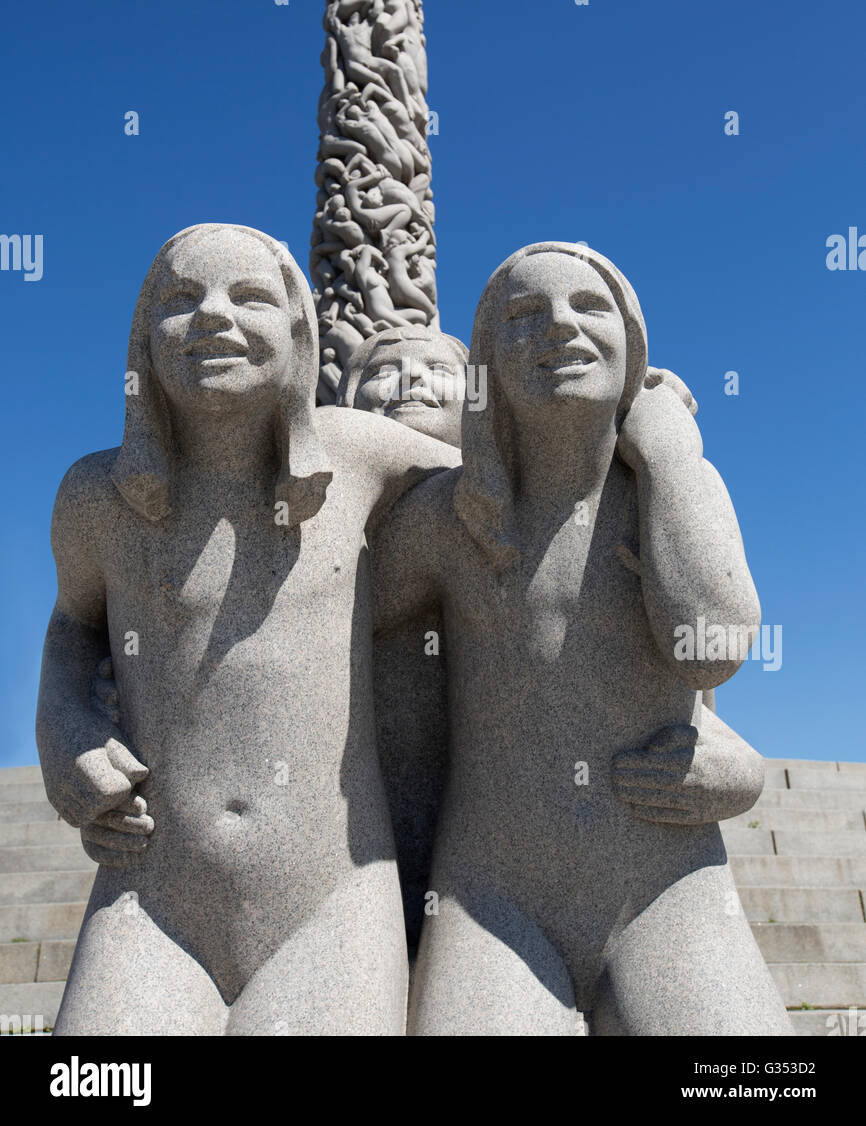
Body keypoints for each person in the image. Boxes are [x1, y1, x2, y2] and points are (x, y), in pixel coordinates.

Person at [36, 223, 458, 1036]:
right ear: (142, 340)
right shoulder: (95, 498)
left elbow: (514, 486)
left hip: (330, 904)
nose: (213, 317)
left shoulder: (357, 453)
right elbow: (70, 625)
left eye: (250, 297)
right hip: (148, 893)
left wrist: (646, 425)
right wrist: (64, 730)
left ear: (301, 329)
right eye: (181, 299)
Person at [371, 242, 792, 1035]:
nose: (559, 327)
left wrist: (669, 453)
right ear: (487, 366)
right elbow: (312, 614)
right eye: (524, 316)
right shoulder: (452, 518)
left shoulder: (668, 488)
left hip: (667, 884)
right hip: (493, 897)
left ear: (633, 342)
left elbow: (712, 648)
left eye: (588, 307)